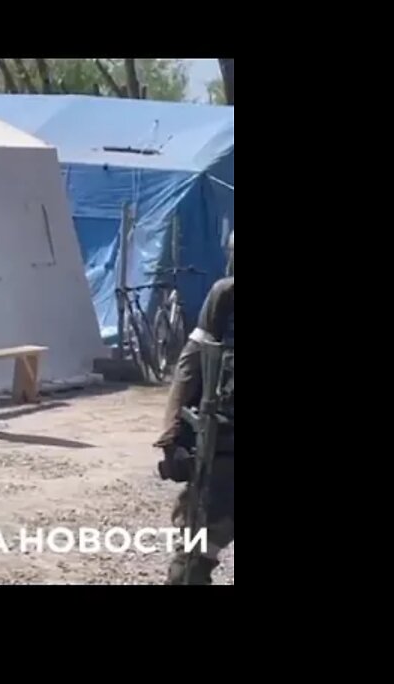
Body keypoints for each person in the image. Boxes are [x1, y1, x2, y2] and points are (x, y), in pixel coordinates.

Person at [156, 231, 234, 585]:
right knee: (190, 566)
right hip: (223, 455)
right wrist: (172, 434)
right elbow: (191, 365)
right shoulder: (225, 298)